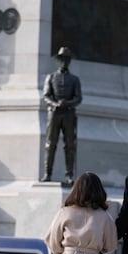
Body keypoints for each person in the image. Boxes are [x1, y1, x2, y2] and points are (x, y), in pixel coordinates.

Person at [41, 46, 82, 185]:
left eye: (67, 59)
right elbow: (46, 96)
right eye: (62, 59)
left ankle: (69, 175)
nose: (65, 62)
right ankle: (47, 173)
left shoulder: (75, 79)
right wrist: (54, 104)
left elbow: (78, 98)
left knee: (69, 145)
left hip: (69, 113)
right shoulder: (51, 77)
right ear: (59, 60)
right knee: (50, 144)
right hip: (54, 114)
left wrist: (67, 103)